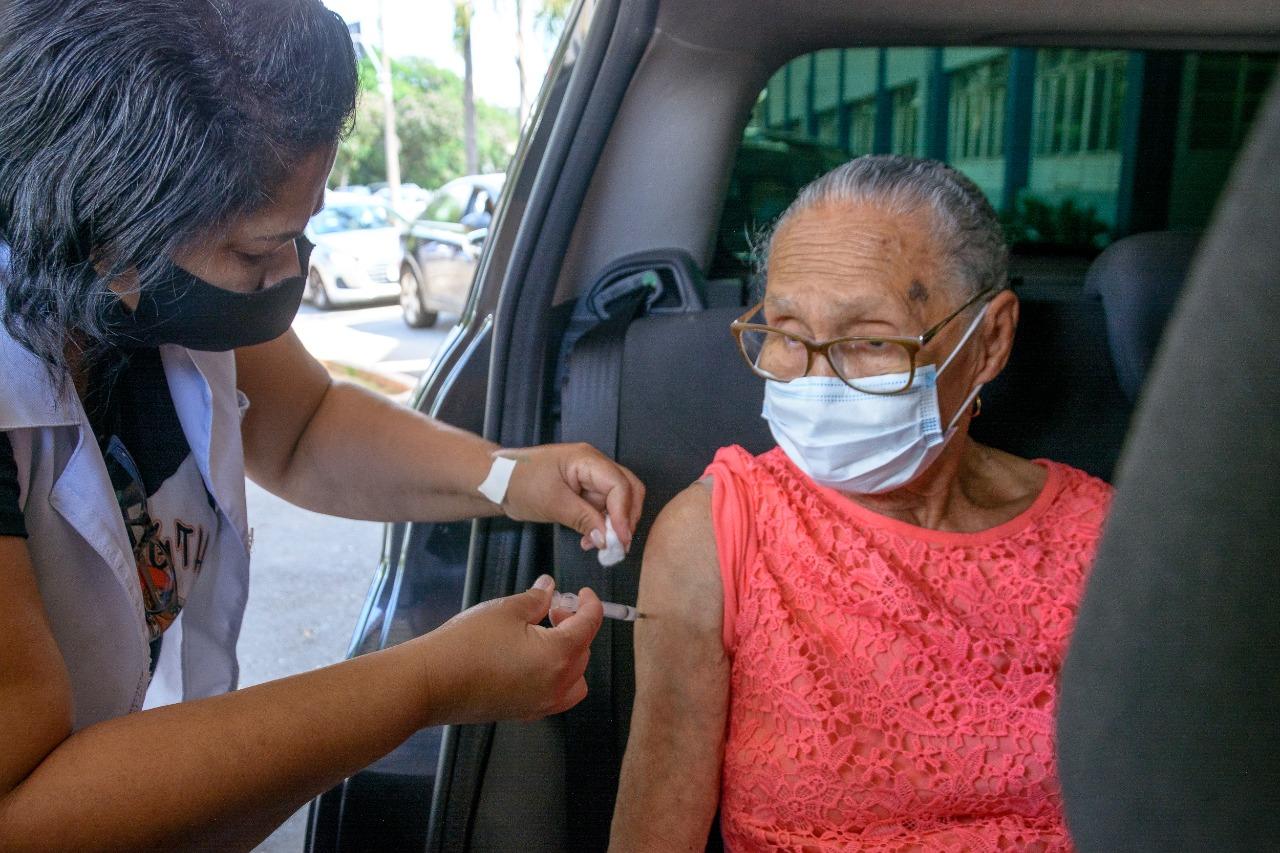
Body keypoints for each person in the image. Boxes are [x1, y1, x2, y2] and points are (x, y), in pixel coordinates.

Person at [0, 1, 643, 848]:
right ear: (109, 224)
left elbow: (303, 426)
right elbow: (25, 809)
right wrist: (425, 683)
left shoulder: (144, 288)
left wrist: (509, 476)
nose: (290, 273)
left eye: (304, 230)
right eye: (260, 251)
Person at [610, 156, 1112, 851]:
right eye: (786, 333)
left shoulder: (1106, 540)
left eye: (871, 340)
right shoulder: (718, 535)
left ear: (989, 340)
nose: (816, 381)